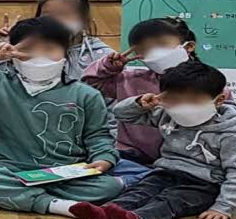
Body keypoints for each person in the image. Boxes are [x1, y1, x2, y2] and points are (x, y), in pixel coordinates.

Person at [0, 17, 123, 218]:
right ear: (12, 52)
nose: (39, 57)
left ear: (66, 54)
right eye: (28, 50)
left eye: (49, 49)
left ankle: (19, 198)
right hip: (11, 169)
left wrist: (103, 158)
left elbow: (98, 135)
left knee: (110, 186)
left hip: (67, 173)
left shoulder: (86, 94)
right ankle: (58, 205)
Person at [72, 61, 236, 219]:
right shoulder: (168, 115)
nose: (183, 106)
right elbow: (122, 114)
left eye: (193, 100)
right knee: (140, 190)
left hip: (205, 184)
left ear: (219, 100)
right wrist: (139, 104)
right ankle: (103, 213)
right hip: (165, 172)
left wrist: (224, 206)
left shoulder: (232, 133)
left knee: (170, 201)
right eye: (174, 99)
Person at [82, 17, 199, 184]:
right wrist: (109, 66)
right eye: (146, 49)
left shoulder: (208, 83)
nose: (155, 53)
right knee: (99, 175)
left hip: (183, 161)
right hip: (130, 156)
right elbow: (89, 83)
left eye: (161, 45)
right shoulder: (130, 79)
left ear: (189, 46)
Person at [0, 0, 113, 79]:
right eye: (48, 16)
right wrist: (5, 43)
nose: (56, 22)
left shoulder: (102, 56)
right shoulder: (26, 48)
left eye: (64, 15)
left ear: (84, 21)